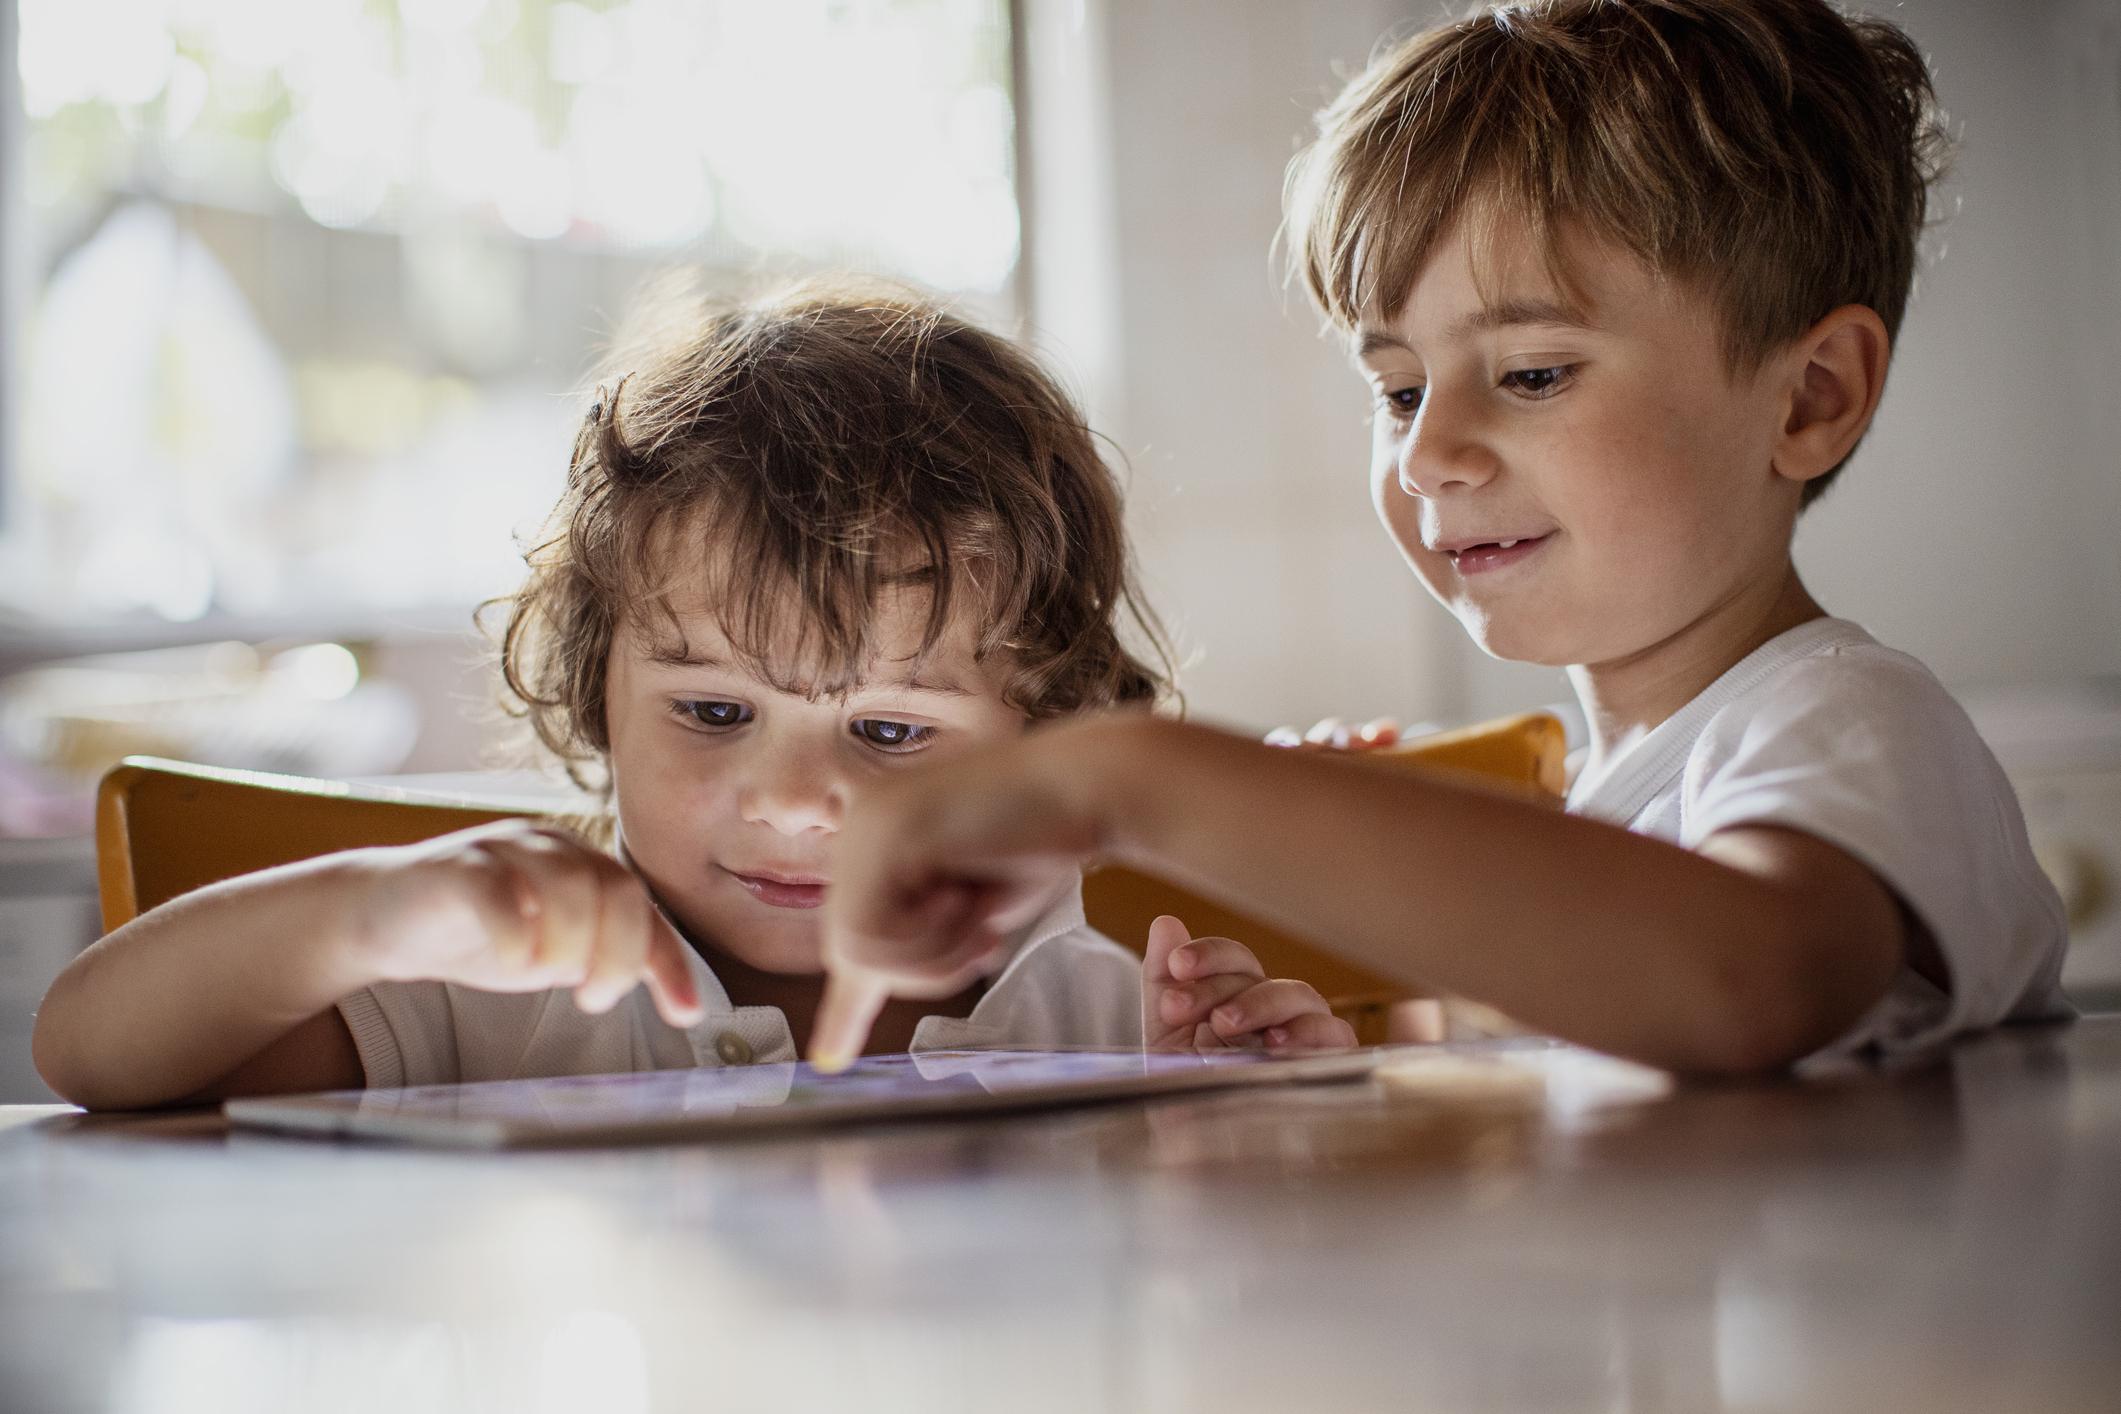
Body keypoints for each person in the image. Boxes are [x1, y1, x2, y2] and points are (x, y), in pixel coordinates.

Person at [808, 0, 2069, 1076]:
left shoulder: (1845, 721)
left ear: (1812, 397)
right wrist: (1359, 1042)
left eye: (1530, 374)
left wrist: (1133, 776)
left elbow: (1750, 982)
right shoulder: (1598, 810)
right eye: (1400, 390)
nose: (1425, 453)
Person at [33, 278, 1352, 1112]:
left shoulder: (1096, 1011)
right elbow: (88, 1055)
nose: (787, 805)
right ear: (593, 683)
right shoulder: (508, 985)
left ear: (1047, 738)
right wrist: (371, 913)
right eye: (713, 710)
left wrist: (1253, 1093)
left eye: (888, 729)